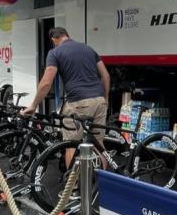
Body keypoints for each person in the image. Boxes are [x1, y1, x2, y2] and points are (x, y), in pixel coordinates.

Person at [21, 27, 110, 168]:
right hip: (99, 101)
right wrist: (105, 99)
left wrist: (33, 105)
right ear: (67, 36)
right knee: (98, 144)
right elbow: (105, 76)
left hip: (78, 102)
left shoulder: (55, 52)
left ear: (53, 39)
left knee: (71, 146)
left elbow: (46, 83)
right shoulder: (88, 49)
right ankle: (100, 185)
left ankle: (73, 188)